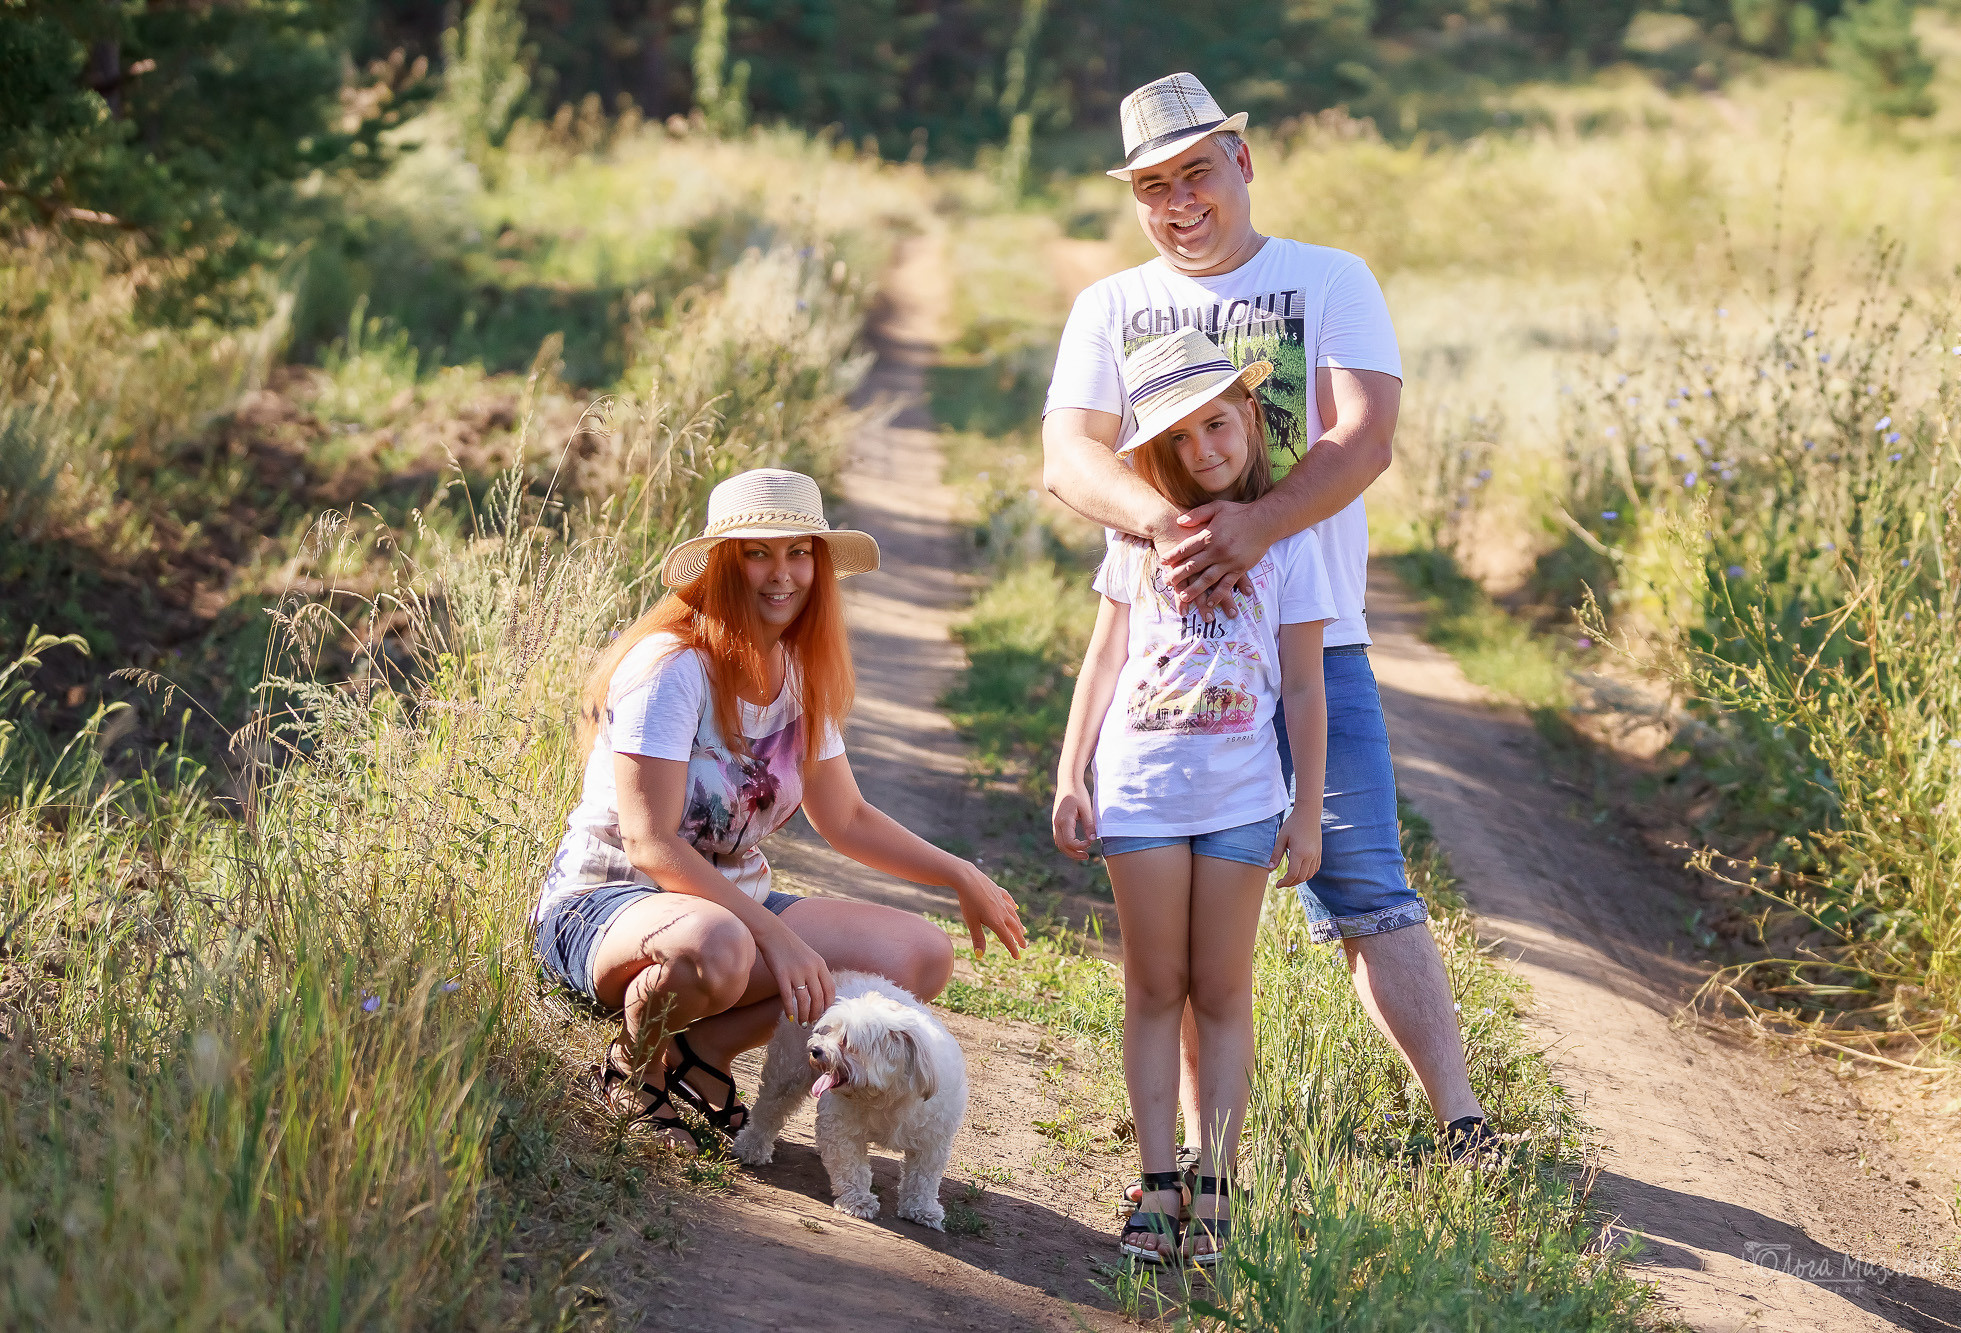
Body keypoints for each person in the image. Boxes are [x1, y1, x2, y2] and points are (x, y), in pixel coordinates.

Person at [1041, 72, 1493, 1189]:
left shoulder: (1327, 281)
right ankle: (1201, 1163)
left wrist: (1252, 529)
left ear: (1241, 162)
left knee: (1364, 879)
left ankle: (1462, 1124)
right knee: (1190, 924)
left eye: (1195, 172)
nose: (1177, 201)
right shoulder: (1109, 306)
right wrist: (1162, 526)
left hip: (1308, 638)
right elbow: (1068, 456)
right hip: (1166, 671)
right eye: (1152, 186)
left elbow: (1364, 435)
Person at [534, 467, 1027, 1149]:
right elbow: (650, 843)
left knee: (919, 954)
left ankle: (698, 1052)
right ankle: (632, 1066)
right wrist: (776, 933)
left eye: (798, 552)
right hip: (609, 902)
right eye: (758, 553)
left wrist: (960, 874)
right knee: (725, 944)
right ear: (721, 566)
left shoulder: (796, 673)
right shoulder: (670, 667)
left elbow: (846, 817)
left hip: (725, 910)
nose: (782, 573)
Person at [1052, 327, 1335, 1267]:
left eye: (1219, 424)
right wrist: (1071, 770)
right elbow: (1104, 657)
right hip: (1140, 794)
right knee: (1153, 986)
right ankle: (1155, 1180)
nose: (1205, 448)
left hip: (1243, 798)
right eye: (1181, 437)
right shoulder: (1135, 539)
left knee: (1220, 988)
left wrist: (1305, 808)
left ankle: (1214, 1179)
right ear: (1158, 453)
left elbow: (1303, 685)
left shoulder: (1294, 540)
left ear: (1250, 417)